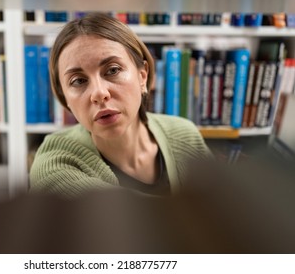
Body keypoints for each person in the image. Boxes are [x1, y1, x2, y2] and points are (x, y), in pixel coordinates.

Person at [30, 12, 211, 198]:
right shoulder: (54, 162)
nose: (99, 93)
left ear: (142, 76)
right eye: (78, 81)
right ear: (64, 97)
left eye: (113, 70)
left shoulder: (185, 135)